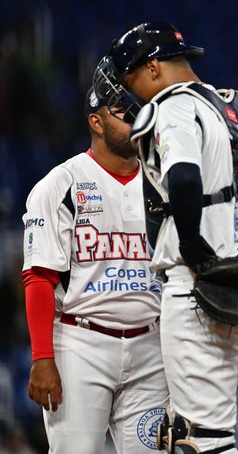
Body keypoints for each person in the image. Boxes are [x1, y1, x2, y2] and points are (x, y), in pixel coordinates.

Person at [93, 21, 238, 453]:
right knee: (187, 426)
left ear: (154, 67)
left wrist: (195, 247)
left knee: (204, 438)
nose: (132, 91)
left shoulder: (173, 106)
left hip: (199, 283)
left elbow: (182, 177)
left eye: (132, 78)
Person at [22, 84, 167, 452]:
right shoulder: (61, 184)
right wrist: (42, 358)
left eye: (139, 109)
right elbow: (39, 276)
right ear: (96, 121)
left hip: (153, 344)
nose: (135, 118)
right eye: (122, 111)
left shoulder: (163, 182)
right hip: (80, 344)